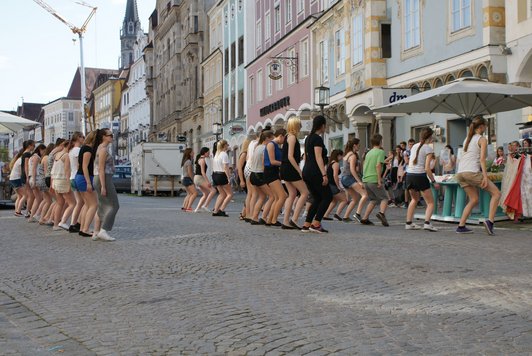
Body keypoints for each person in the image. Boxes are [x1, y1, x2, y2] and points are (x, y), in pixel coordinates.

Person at [455, 117, 502, 235]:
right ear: (481, 127)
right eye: (485, 126)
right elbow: (482, 160)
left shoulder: (467, 139)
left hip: (460, 173)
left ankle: (461, 226)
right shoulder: (482, 139)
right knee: (496, 193)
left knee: (474, 199)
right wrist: (485, 177)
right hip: (471, 172)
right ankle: (490, 222)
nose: (486, 128)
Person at [302, 115, 333, 233]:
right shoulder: (317, 139)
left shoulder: (308, 138)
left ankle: (307, 224)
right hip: (315, 171)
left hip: (307, 171)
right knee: (327, 196)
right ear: (322, 125)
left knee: (317, 198)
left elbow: (307, 156)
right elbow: (318, 157)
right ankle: (316, 223)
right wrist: (324, 175)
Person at [405, 128, 439, 231]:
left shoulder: (414, 146)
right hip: (420, 176)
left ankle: (409, 223)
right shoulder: (428, 149)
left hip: (410, 175)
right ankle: (427, 223)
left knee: (414, 199)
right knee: (430, 202)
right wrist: (434, 182)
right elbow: (427, 168)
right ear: (430, 137)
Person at [281, 117, 308, 230]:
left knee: (292, 194)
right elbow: (290, 156)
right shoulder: (292, 138)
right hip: (290, 168)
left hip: (285, 168)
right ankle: (294, 219)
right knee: (305, 193)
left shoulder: (287, 137)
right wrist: (299, 170)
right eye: (299, 124)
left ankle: (286, 221)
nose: (301, 126)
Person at [93, 128, 119, 241]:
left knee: (102, 206)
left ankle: (96, 232)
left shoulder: (101, 148)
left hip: (101, 178)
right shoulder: (103, 149)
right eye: (110, 135)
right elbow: (101, 169)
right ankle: (104, 230)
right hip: (103, 178)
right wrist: (103, 186)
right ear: (104, 137)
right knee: (114, 205)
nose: (112, 137)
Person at [360, 134, 390, 227]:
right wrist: (379, 180)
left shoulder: (369, 153)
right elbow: (378, 165)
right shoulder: (380, 152)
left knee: (373, 200)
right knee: (385, 198)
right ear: (380, 142)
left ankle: (365, 218)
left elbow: (366, 165)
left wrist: (364, 178)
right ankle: (381, 213)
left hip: (366, 179)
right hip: (374, 179)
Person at [75, 130, 98, 237]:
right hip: (84, 178)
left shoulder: (83, 148)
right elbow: (84, 166)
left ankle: (83, 228)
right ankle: (85, 229)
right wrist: (89, 182)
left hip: (80, 177)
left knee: (87, 205)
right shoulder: (88, 150)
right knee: (94, 205)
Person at [249, 130, 275, 225]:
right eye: (272, 138)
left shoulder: (257, 147)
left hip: (253, 174)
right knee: (272, 196)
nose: (273, 140)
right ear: (267, 138)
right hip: (259, 174)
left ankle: (254, 217)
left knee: (262, 196)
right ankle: (264, 217)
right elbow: (264, 162)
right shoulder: (265, 148)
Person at [340, 139, 368, 222]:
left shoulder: (347, 155)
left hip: (344, 178)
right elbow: (352, 170)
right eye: (358, 145)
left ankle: (345, 217)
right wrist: (359, 181)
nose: (359, 146)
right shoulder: (352, 156)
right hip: (349, 178)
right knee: (365, 194)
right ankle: (357, 214)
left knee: (355, 198)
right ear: (354, 145)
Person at [264, 129, 287, 226]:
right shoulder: (271, 144)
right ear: (281, 136)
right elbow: (272, 161)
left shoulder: (276, 145)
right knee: (283, 196)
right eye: (285, 138)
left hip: (273, 172)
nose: (285, 141)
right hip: (270, 172)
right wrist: (285, 164)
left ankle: (270, 220)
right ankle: (273, 220)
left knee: (277, 197)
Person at [51, 141, 72, 231]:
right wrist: (69, 183)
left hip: (55, 180)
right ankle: (62, 222)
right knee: (73, 203)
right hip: (63, 180)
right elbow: (67, 171)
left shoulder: (57, 154)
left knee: (59, 203)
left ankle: (55, 224)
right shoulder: (66, 155)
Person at [67, 133, 85, 232]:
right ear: (78, 138)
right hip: (78, 177)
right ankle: (78, 223)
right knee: (86, 203)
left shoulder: (71, 150)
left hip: (72, 177)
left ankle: (74, 223)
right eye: (82, 137)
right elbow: (80, 164)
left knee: (79, 203)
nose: (84, 138)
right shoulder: (78, 150)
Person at [323, 149, 347, 221]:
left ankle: (326, 215)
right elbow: (335, 176)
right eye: (341, 155)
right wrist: (338, 186)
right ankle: (337, 214)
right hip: (333, 185)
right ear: (338, 156)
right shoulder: (336, 164)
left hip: (329, 185)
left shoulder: (330, 164)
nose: (342, 157)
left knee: (334, 201)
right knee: (344, 200)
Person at [211, 140, 233, 216]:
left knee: (222, 194)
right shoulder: (224, 154)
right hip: (222, 175)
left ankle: (215, 210)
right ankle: (221, 209)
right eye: (227, 144)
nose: (228, 145)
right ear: (224, 146)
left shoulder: (217, 154)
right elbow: (225, 167)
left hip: (215, 174)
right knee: (230, 194)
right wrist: (228, 177)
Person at [193, 147, 216, 213]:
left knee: (206, 193)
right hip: (199, 178)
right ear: (205, 153)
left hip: (197, 178)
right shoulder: (202, 160)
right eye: (208, 152)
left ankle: (197, 209)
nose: (209, 154)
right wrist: (208, 182)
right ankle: (205, 205)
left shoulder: (200, 159)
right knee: (213, 190)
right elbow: (203, 172)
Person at [27, 144, 46, 222]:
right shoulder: (36, 157)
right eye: (44, 151)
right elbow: (34, 169)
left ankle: (32, 216)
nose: (44, 153)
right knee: (41, 198)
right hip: (37, 178)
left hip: (32, 178)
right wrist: (34, 180)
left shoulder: (31, 157)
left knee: (38, 199)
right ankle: (36, 215)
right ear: (40, 149)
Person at [37, 144, 54, 225]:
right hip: (44, 181)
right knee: (51, 201)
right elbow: (47, 171)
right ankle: (46, 217)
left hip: (40, 181)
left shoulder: (43, 157)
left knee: (47, 201)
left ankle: (41, 218)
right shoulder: (47, 158)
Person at [20, 140, 35, 217]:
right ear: (29, 145)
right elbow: (26, 166)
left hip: (24, 175)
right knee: (31, 195)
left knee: (30, 195)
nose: (34, 147)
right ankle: (28, 211)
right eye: (33, 145)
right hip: (26, 175)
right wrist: (27, 177)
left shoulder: (24, 153)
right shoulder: (27, 154)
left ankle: (29, 211)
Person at [237, 138, 251, 220]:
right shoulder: (244, 154)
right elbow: (239, 167)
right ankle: (244, 213)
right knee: (249, 195)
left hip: (244, 176)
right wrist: (242, 180)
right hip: (243, 177)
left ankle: (243, 213)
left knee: (249, 195)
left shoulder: (246, 153)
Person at [9, 151, 25, 217]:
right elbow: (22, 172)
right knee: (25, 195)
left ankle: (17, 210)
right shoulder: (21, 160)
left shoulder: (18, 159)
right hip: (17, 178)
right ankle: (18, 211)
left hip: (12, 179)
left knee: (19, 196)